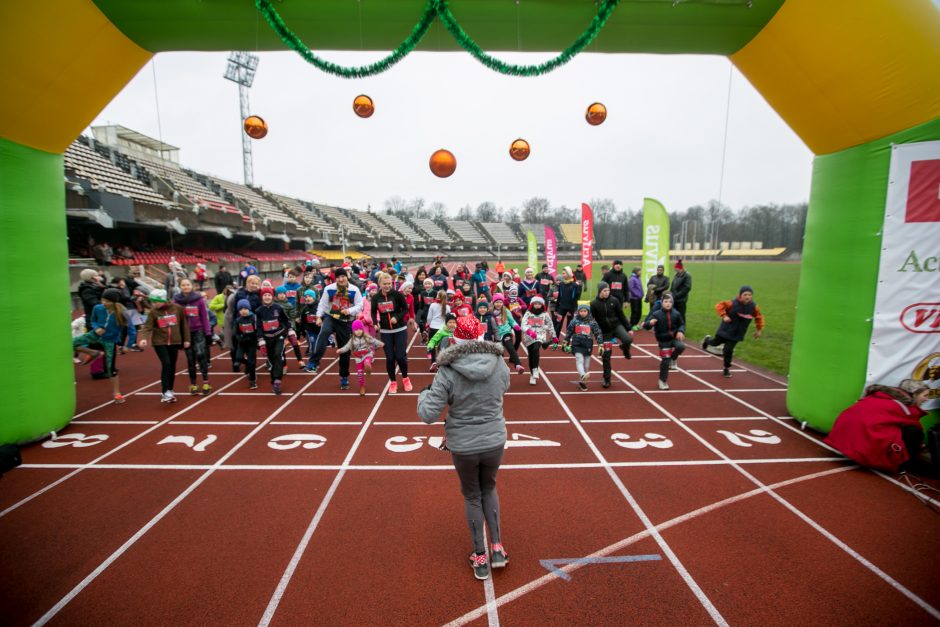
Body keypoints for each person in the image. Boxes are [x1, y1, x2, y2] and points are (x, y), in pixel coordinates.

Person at [417, 315, 511, 581]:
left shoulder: (447, 369)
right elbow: (505, 386)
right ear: (480, 336)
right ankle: (497, 548)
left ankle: (479, 556)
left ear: (454, 338)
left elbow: (427, 414)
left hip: (464, 444)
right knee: (489, 487)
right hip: (494, 438)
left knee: (472, 495)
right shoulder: (498, 362)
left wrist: (424, 393)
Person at [824, 379, 931, 474]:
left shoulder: (880, 395)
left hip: (840, 436)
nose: (927, 399)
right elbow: (915, 424)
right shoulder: (905, 408)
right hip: (861, 443)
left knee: (897, 428)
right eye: (925, 396)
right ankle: (905, 464)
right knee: (915, 432)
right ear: (914, 394)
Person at [309, 268, 364, 389]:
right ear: (335, 278)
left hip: (345, 321)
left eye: (343, 276)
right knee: (324, 332)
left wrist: (349, 310)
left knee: (344, 350)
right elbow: (322, 304)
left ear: (347, 277)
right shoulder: (329, 289)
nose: (341, 279)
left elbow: (360, 304)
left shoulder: (354, 290)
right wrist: (318, 317)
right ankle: (314, 361)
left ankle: (344, 377)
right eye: (338, 277)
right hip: (331, 317)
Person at [72, 288, 127, 403]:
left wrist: (124, 344)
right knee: (69, 344)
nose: (104, 303)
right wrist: (96, 328)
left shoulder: (120, 312)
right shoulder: (97, 308)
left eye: (107, 301)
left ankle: (117, 393)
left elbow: (127, 328)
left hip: (109, 341)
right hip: (95, 336)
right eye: (103, 299)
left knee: (110, 368)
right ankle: (92, 352)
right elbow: (93, 320)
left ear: (114, 302)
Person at [138, 289, 190, 403]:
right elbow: (147, 327)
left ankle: (170, 389)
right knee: (166, 363)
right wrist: (143, 338)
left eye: (157, 301)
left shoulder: (177, 308)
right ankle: (165, 391)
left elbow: (184, 325)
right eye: (153, 302)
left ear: (164, 300)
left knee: (172, 366)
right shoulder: (153, 312)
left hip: (175, 341)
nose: (154, 304)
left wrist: (186, 339)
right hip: (159, 342)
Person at [702, 285, 764, 378]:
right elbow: (719, 306)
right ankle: (707, 339)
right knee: (714, 343)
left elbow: (759, 317)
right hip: (725, 329)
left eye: (750, 295)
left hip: (737, 333)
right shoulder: (732, 303)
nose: (747, 297)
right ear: (740, 295)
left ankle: (726, 368)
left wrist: (759, 330)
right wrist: (724, 316)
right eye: (745, 294)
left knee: (728, 350)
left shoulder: (754, 307)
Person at [371, 271, 413, 393]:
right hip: (385, 331)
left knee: (400, 356)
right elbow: (373, 312)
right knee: (390, 358)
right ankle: (393, 382)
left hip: (400, 329)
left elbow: (405, 309)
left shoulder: (397, 295)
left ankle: (405, 378)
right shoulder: (376, 298)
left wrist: (397, 317)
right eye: (384, 284)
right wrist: (375, 323)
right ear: (379, 284)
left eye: (389, 283)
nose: (387, 286)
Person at [590, 282, 634, 388]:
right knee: (606, 356)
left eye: (608, 290)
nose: (607, 292)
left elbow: (621, 315)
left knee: (628, 340)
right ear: (600, 291)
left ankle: (625, 349)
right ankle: (607, 379)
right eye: (604, 291)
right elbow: (592, 320)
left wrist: (628, 328)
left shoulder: (614, 301)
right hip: (604, 332)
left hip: (616, 327)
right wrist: (593, 333)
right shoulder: (594, 304)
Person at [174, 278, 212, 396]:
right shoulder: (176, 301)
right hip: (185, 333)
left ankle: (206, 382)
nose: (186, 287)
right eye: (183, 285)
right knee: (190, 359)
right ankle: (193, 384)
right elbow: (176, 319)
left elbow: (204, 317)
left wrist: (208, 333)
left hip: (199, 331)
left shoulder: (199, 300)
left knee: (201, 355)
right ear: (180, 287)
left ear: (192, 286)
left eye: (188, 284)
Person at [643, 293, 686, 390]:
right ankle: (662, 381)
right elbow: (645, 326)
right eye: (666, 302)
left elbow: (681, 324)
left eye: (670, 302)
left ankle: (673, 358)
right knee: (665, 361)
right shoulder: (656, 314)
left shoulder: (676, 313)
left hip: (674, 338)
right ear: (661, 303)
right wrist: (650, 323)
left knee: (681, 346)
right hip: (663, 340)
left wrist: (680, 331)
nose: (668, 304)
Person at [256, 285, 290, 395]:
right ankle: (274, 380)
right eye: (265, 295)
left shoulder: (278, 308)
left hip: (279, 336)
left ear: (272, 296)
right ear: (262, 297)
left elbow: (286, 321)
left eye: (269, 295)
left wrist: (289, 331)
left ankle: (277, 380)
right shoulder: (259, 311)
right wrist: (260, 339)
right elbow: (259, 327)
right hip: (267, 339)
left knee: (278, 355)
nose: (267, 297)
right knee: (271, 360)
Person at [337, 320, 386, 396]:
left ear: (362, 329)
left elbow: (373, 341)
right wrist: (341, 350)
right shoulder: (352, 340)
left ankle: (368, 366)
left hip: (367, 354)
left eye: (360, 329)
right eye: (356, 330)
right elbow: (346, 347)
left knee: (367, 361)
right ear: (353, 331)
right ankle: (362, 387)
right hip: (358, 358)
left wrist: (380, 343)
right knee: (360, 374)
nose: (358, 331)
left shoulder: (366, 337)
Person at [565, 304, 605, 391]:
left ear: (588, 312)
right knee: (579, 360)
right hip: (577, 343)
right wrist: (566, 341)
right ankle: (583, 375)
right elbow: (569, 331)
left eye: (585, 311)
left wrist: (600, 345)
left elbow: (598, 333)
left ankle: (582, 382)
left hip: (587, 344)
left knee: (586, 365)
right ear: (578, 312)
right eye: (581, 311)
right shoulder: (575, 321)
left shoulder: (592, 322)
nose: (583, 313)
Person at [521, 296, 556, 385]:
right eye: (535, 304)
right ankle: (532, 375)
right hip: (529, 336)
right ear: (532, 304)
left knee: (536, 348)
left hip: (540, 335)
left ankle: (535, 369)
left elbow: (550, 325)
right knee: (531, 355)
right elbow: (523, 325)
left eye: (539, 304)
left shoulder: (545, 314)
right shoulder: (528, 313)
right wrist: (529, 331)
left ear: (542, 305)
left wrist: (553, 336)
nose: (537, 305)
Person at [489, 294, 525, 374]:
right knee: (499, 353)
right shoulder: (490, 312)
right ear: (493, 303)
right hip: (497, 335)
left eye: (500, 302)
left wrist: (516, 326)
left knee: (510, 347)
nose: (499, 304)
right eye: (497, 302)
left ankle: (518, 365)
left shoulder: (506, 311)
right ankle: (500, 370)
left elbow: (512, 321)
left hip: (506, 333)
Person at [233, 299, 259, 390]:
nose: (243, 311)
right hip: (242, 342)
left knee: (252, 362)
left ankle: (252, 380)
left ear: (249, 308)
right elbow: (235, 332)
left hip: (251, 342)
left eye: (245, 308)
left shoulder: (254, 318)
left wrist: (255, 339)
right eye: (240, 309)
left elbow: (257, 331)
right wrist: (239, 337)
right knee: (238, 358)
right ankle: (248, 365)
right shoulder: (238, 320)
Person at [553, 266, 582, 337]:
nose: (563, 275)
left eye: (564, 273)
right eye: (562, 273)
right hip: (561, 308)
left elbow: (576, 299)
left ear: (569, 274)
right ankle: (556, 340)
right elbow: (559, 297)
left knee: (569, 326)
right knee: (558, 324)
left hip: (570, 309)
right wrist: (556, 309)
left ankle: (566, 342)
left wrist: (572, 309)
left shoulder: (575, 285)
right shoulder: (561, 284)